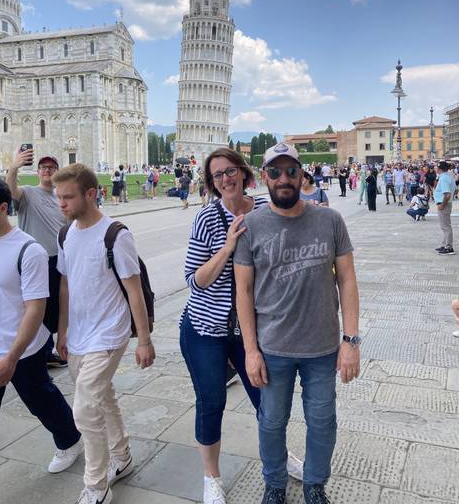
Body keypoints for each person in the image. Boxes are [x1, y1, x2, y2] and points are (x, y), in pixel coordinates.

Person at [234, 143, 360, 504]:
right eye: (275, 172)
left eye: (291, 171)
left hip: (322, 347)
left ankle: (314, 483)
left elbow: (347, 280)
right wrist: (250, 350)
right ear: (264, 177)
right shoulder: (251, 226)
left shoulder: (329, 220)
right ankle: (274, 483)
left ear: (303, 175)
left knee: (322, 422)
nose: (284, 179)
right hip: (272, 349)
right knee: (271, 422)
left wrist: (350, 340)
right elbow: (243, 291)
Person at [179, 148, 302, 504]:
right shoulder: (205, 219)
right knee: (211, 401)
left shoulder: (265, 211)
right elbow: (195, 279)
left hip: (252, 329)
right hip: (206, 329)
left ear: (244, 174)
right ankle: (211, 477)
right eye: (217, 175)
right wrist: (228, 246)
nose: (225, 179)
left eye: (230, 171)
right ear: (212, 183)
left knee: (267, 399)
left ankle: (279, 456)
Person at [53, 164, 155, 504]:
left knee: (84, 408)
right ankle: (122, 456)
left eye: (68, 197)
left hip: (109, 334)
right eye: (59, 198)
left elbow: (135, 290)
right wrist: (62, 330)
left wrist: (143, 340)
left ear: (91, 194)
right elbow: (66, 284)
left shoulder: (116, 234)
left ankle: (96, 486)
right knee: (102, 398)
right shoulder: (66, 234)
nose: (62, 204)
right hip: (79, 333)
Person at [0, 178, 82, 492]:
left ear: (3, 208)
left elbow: (35, 310)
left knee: (40, 399)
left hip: (23, 349)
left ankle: (70, 439)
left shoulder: (29, 251)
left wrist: (12, 356)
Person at [6, 149, 66, 368]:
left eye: (51, 167)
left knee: (51, 310)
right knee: (34, 309)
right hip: (34, 261)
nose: (47, 170)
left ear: (57, 171)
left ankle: (46, 351)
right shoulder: (29, 193)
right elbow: (11, 189)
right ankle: (34, 356)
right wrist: (15, 166)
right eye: (43, 167)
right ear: (38, 172)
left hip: (57, 260)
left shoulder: (61, 198)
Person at [433, 161, 456, 255]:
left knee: (446, 226)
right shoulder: (448, 176)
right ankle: (444, 244)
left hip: (444, 204)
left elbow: (447, 194)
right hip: (445, 203)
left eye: (436, 167)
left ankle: (449, 247)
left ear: (440, 169)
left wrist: (442, 205)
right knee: (445, 226)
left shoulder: (444, 179)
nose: (435, 169)